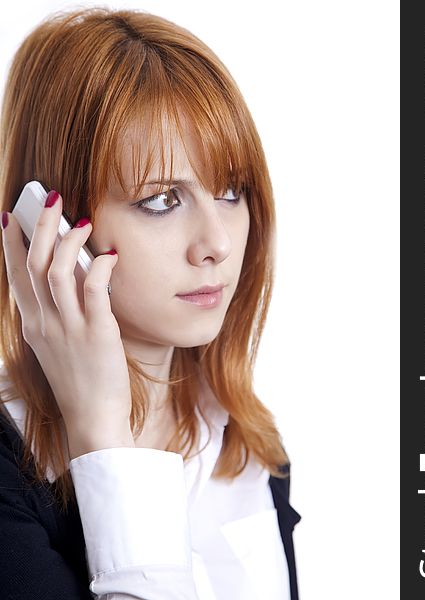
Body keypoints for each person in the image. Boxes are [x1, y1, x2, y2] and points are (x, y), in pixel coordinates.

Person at [0, 6, 301, 599]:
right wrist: (103, 435)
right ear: (54, 228)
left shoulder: (246, 443)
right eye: (161, 200)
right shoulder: (9, 472)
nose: (217, 243)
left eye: (230, 191)